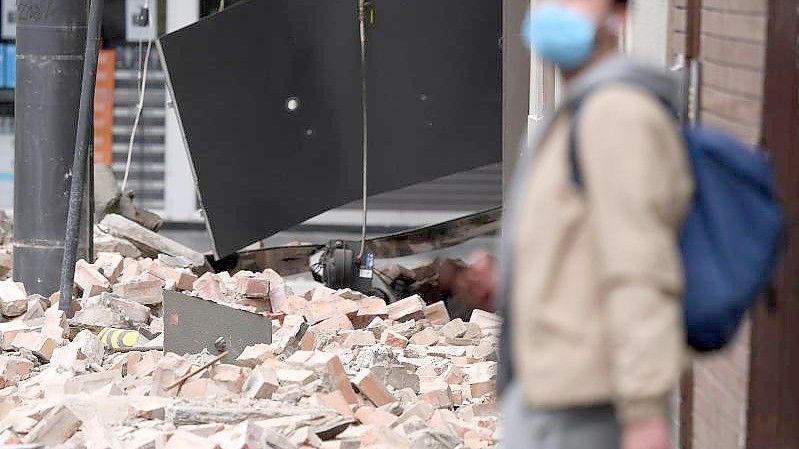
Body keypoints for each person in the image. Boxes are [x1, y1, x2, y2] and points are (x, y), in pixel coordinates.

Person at [449, 1, 693, 448]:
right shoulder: (575, 113)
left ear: (618, 17)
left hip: (588, 409)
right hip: (550, 396)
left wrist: (645, 416)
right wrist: (515, 286)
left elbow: (640, 269)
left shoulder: (617, 115)